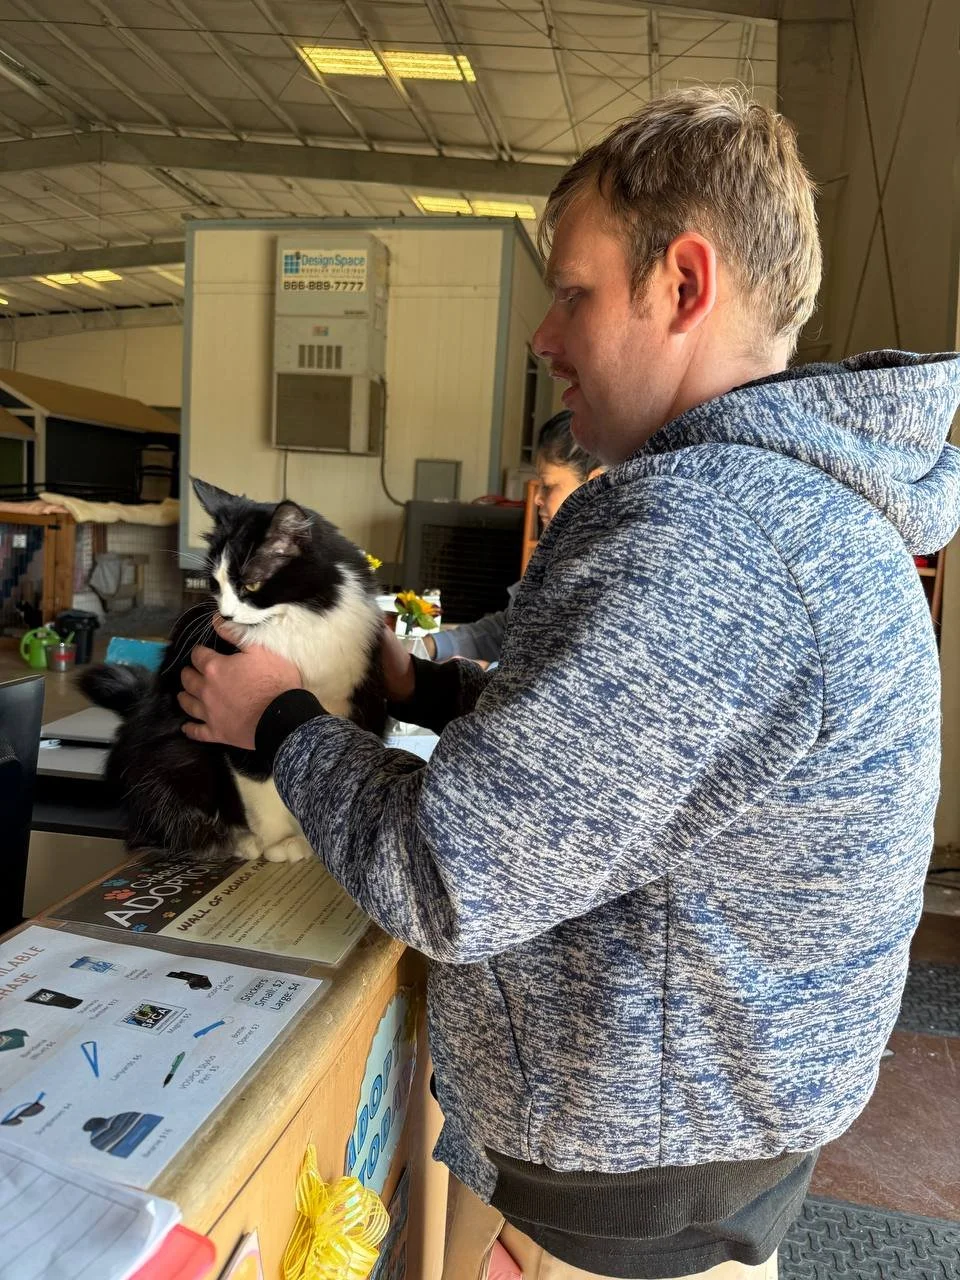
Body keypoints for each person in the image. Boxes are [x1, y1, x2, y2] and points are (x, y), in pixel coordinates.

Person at [178, 87, 960, 1280]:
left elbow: (449, 874)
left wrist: (273, 716)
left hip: (623, 1201)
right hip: (694, 1152)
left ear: (684, 285)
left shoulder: (711, 540)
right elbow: (647, 777)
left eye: (575, 290)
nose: (545, 336)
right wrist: (429, 692)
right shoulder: (797, 511)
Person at [425, 410, 602, 664]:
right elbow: (507, 628)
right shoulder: (556, 554)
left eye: (548, 486)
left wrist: (485, 673)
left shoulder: (605, 570)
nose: (538, 498)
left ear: (593, 483)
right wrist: (429, 645)